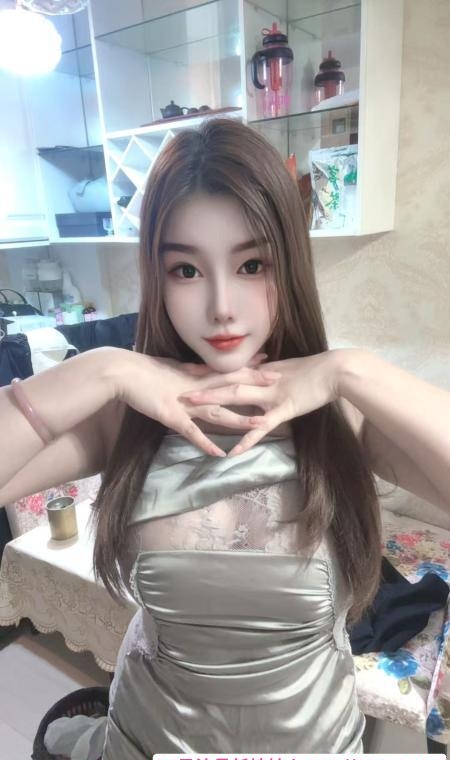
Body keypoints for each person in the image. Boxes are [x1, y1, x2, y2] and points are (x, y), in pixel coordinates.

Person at [1, 119, 449, 757]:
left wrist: (351, 369)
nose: (222, 307)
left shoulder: (338, 415)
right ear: (156, 277)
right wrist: (103, 369)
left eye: (251, 264)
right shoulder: (126, 417)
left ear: (289, 265)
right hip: (152, 737)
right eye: (186, 269)